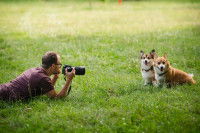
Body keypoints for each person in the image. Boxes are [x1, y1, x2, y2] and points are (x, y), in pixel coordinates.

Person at [0, 51, 75, 101]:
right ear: (52, 66)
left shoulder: (37, 71)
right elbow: (56, 98)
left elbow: (46, 89)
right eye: (59, 64)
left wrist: (55, 77)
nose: (60, 67)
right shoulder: (43, 78)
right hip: (3, 95)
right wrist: (69, 80)